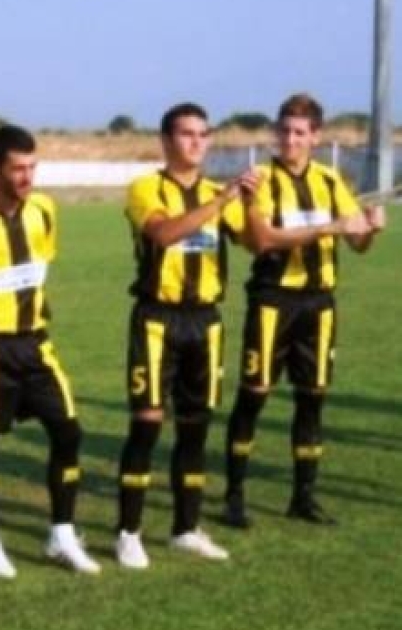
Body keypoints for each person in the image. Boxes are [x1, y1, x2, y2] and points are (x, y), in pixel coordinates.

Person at [0, 124, 100, 578]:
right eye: (17, 168)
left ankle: (62, 535)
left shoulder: (45, 210)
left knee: (68, 433)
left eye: (32, 167)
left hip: (35, 345)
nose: (27, 176)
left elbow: (38, 268)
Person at [220, 93, 384, 528]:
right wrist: (330, 226)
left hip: (319, 304)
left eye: (298, 133)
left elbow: (357, 243)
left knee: (312, 400)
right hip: (274, 300)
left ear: (315, 137)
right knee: (253, 396)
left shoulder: (330, 181)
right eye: (284, 131)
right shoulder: (261, 180)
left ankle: (303, 497)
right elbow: (263, 240)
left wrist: (370, 229)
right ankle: (234, 496)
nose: (289, 140)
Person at [113, 103, 253, 570]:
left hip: (205, 322)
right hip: (158, 319)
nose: (197, 141)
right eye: (187, 133)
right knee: (147, 424)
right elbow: (165, 234)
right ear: (166, 140)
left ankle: (186, 529)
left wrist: (251, 203)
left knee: (195, 428)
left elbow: (259, 242)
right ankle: (128, 533)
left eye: (203, 134)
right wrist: (221, 203)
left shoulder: (218, 193)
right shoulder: (145, 188)